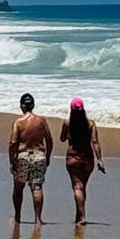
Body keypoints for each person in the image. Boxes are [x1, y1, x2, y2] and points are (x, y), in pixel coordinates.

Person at [59, 97, 105, 225]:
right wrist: (100, 160)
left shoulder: (67, 123)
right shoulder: (90, 124)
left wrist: (68, 134)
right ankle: (79, 215)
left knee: (77, 187)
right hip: (87, 158)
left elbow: (62, 139)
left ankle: (82, 216)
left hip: (73, 157)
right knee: (82, 187)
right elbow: (95, 142)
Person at [8, 92, 53, 224]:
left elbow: (13, 142)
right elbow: (49, 140)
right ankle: (38, 219)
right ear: (33, 105)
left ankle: (17, 217)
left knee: (18, 188)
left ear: (22, 106)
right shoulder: (42, 121)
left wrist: (12, 160)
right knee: (37, 187)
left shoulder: (18, 122)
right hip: (39, 155)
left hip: (23, 155)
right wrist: (48, 156)